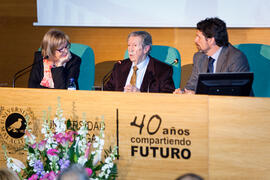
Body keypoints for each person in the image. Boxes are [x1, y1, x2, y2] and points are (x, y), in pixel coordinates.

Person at [174, 17, 249, 94]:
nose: (195, 40)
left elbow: (236, 92)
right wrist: (183, 93)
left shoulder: (235, 58)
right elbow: (191, 87)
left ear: (211, 40)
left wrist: (197, 94)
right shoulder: (199, 57)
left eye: (199, 37)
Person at [104, 31, 175, 93]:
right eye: (129, 45)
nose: (130, 49)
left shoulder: (162, 70)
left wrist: (141, 95)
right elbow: (107, 91)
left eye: (134, 45)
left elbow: (166, 97)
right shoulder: (119, 67)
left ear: (146, 49)